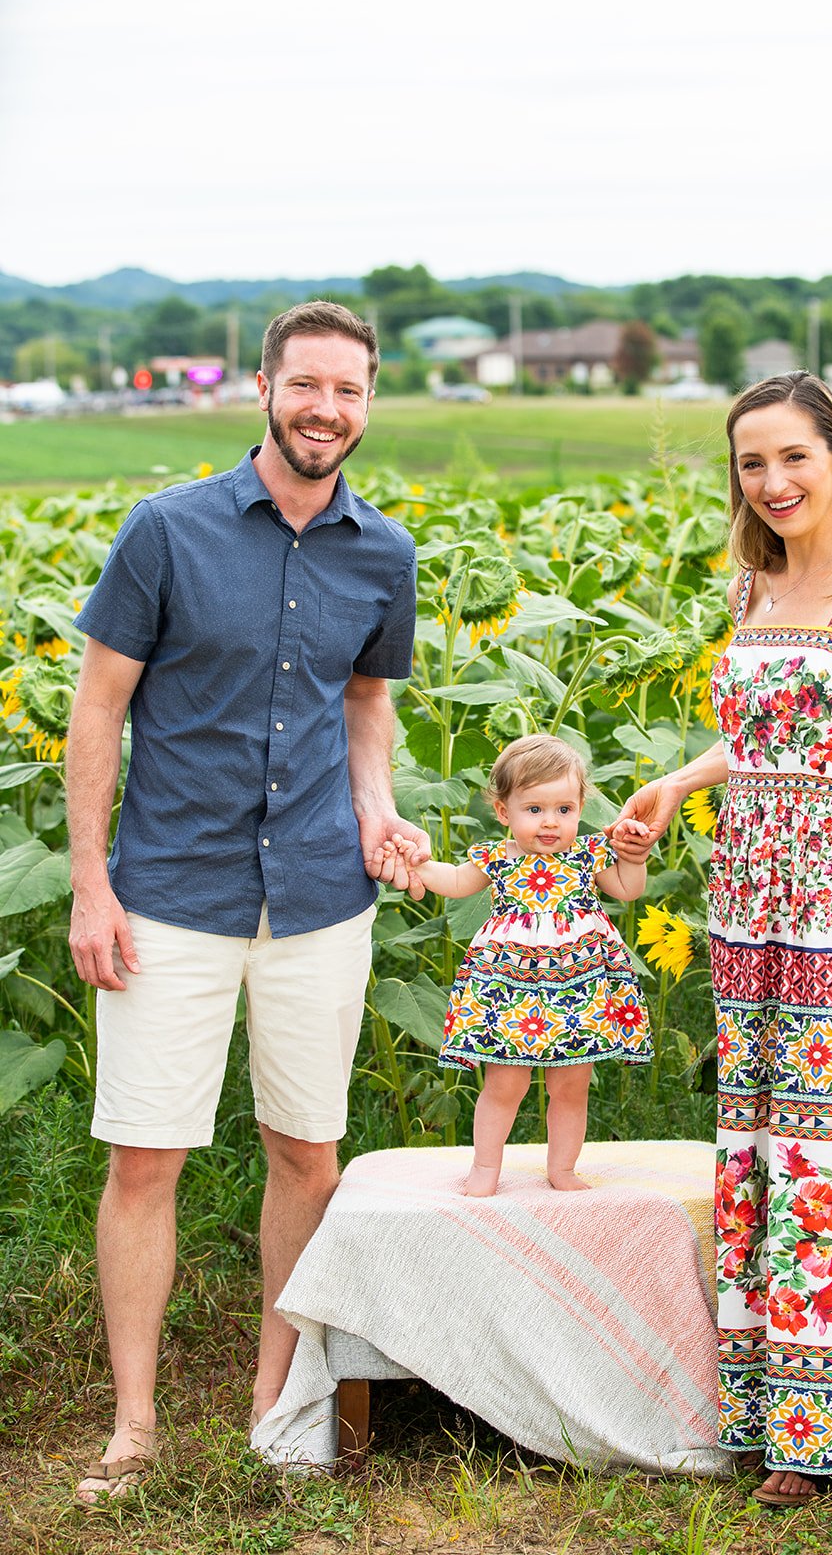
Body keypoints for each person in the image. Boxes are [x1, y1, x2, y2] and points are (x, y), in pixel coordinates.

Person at [66, 300, 428, 1503]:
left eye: (351, 391)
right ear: (264, 389)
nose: (329, 409)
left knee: (305, 1150)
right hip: (170, 891)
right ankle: (133, 1424)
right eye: (308, 385)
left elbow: (366, 704)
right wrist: (89, 883)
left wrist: (376, 810)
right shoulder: (166, 532)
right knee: (145, 1160)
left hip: (321, 894)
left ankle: (279, 1406)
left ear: (369, 402)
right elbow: (100, 708)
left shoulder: (384, 552)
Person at [610, 371, 832, 1509]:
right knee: (763, 1149)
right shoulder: (756, 583)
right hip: (749, 907)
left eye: (793, 457)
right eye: (752, 462)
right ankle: (769, 1408)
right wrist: (676, 775)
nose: (773, 481)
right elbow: (758, 731)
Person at [382, 735, 652, 1196]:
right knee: (505, 1084)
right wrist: (418, 865)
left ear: (581, 806)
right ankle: (485, 1168)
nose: (550, 822)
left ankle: (562, 1168)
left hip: (580, 988)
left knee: (571, 1086)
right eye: (534, 810)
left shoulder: (588, 855)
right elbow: (454, 881)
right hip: (511, 988)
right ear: (504, 811)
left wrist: (636, 856)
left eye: (564, 810)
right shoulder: (498, 859)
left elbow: (628, 889)